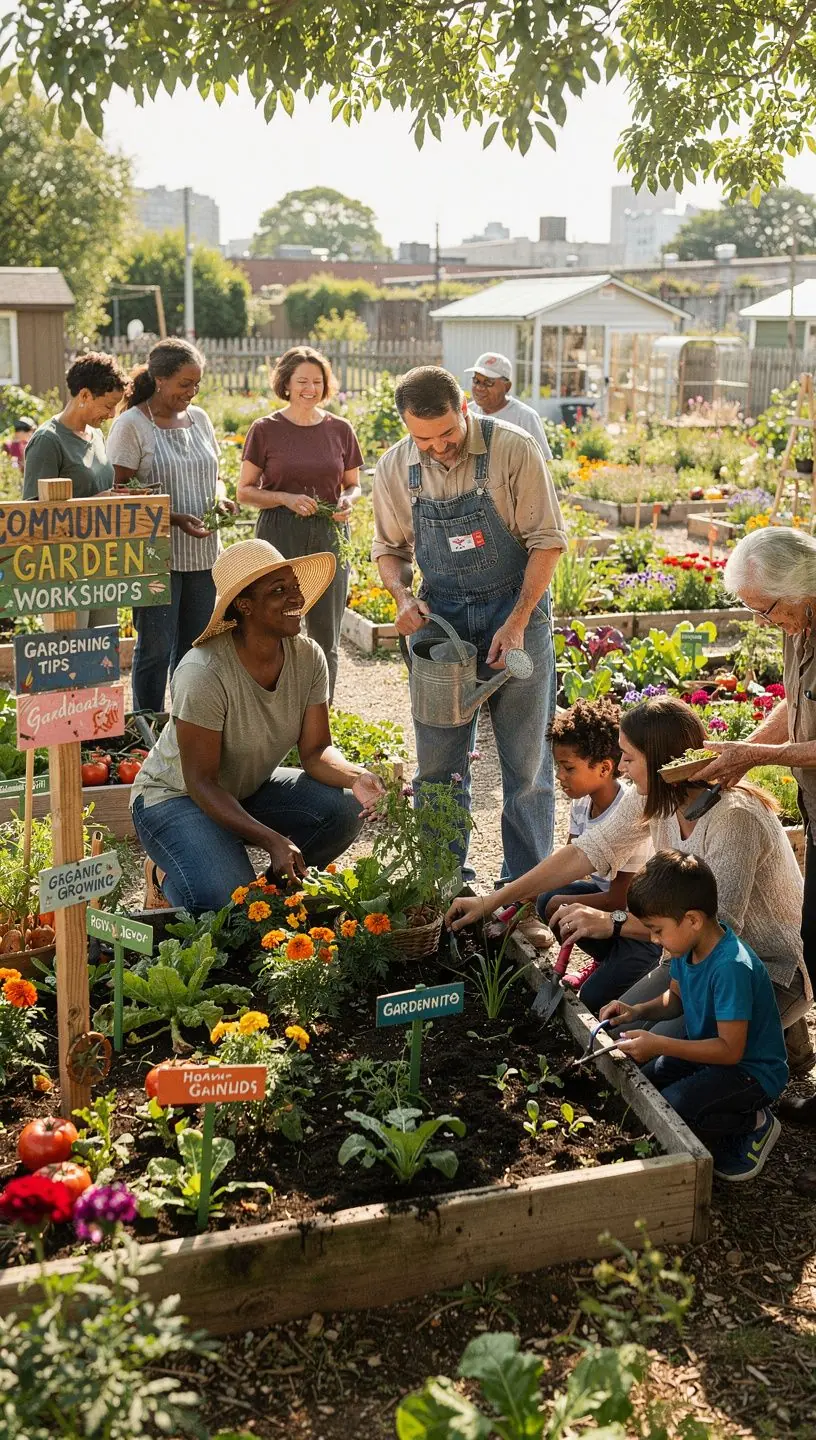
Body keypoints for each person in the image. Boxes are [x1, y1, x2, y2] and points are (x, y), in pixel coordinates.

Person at [446, 695, 813, 1039]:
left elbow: (713, 931)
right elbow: (583, 852)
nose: (620, 768)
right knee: (613, 1033)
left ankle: (772, 1049)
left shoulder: (734, 818)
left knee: (658, 1062)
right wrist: (491, 901)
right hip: (687, 962)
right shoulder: (657, 797)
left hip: (767, 971)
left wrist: (614, 921)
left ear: (661, 762)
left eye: (628, 758)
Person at [373, 365, 566, 894]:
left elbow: (546, 541)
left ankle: (523, 893)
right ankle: (444, 887)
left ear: (464, 409)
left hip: (516, 611)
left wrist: (518, 621)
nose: (438, 448)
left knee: (527, 766)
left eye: (447, 434)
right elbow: (389, 550)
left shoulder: (514, 448)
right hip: (442, 624)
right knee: (438, 766)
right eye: (423, 440)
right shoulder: (395, 467)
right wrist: (403, 597)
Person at [131, 538, 383, 912]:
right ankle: (165, 877)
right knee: (224, 900)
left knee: (344, 809)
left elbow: (315, 751)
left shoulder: (308, 657)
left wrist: (357, 777)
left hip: (241, 789)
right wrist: (271, 839)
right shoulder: (203, 672)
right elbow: (201, 783)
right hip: (174, 798)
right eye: (278, 590)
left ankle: (268, 900)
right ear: (244, 605)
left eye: (295, 586)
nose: (296, 598)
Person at [693, 525, 816, 1180]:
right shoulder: (801, 624)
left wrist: (756, 756)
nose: (765, 623)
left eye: (765, 609)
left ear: (798, 586)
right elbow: (797, 710)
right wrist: (743, 756)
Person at [600, 852, 787, 1183]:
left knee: (674, 1107)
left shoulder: (730, 966)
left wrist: (660, 1044)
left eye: (657, 930)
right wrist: (637, 1011)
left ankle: (755, 1123)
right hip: (708, 1052)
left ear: (692, 920)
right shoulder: (685, 948)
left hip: (751, 1073)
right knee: (645, 1084)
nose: (655, 940)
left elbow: (731, 1051)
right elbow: (675, 1000)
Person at [107, 338, 236, 713]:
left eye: (197, 384)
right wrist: (173, 518)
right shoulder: (132, 425)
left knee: (195, 649)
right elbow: (119, 494)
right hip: (154, 557)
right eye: (185, 383)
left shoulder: (201, 420)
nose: (192, 392)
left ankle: (185, 724)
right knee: (156, 648)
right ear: (159, 379)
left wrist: (220, 498)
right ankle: (147, 725)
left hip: (202, 555)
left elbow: (215, 477)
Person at [237, 346, 363, 701]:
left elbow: (353, 484)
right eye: (302, 381)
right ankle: (273, 710)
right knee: (274, 625)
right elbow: (244, 491)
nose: (310, 388)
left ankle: (321, 713)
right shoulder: (265, 429)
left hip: (329, 534)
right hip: (279, 533)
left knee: (326, 633)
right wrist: (284, 498)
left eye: (317, 381)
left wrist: (348, 500)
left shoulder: (340, 429)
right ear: (286, 384)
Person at [533, 698, 658, 999]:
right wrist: (523, 896)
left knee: (592, 999)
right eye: (558, 767)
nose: (559, 776)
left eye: (568, 768)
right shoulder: (581, 804)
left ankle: (627, 966)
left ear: (604, 768)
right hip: (611, 914)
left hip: (641, 929)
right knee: (548, 899)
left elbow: (618, 900)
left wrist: (564, 902)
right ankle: (606, 960)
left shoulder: (628, 813)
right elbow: (567, 865)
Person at [23, 352, 127, 628]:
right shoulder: (48, 440)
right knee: (70, 645)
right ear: (85, 395)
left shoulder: (97, 435)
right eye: (108, 405)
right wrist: (97, 502)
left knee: (103, 645)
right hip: (64, 568)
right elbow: (33, 516)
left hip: (102, 563)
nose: (112, 414)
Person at [465, 352, 553, 459]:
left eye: (488, 382)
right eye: (476, 381)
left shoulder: (526, 417)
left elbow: (541, 462)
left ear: (507, 387)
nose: (479, 388)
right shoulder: (467, 413)